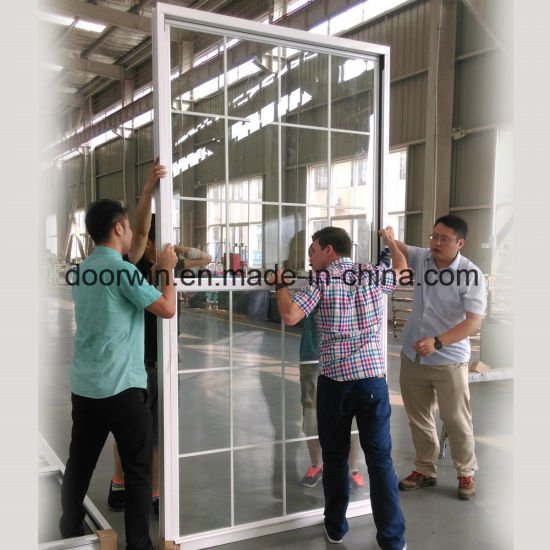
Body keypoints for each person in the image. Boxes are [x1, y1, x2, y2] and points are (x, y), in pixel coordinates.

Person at [271, 226, 407, 549]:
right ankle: (393, 540)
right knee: (380, 461)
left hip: (336, 385)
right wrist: (390, 241)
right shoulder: (372, 273)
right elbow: (402, 269)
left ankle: (335, 527)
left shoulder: (321, 280)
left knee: (334, 459)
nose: (310, 257)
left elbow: (290, 315)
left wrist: (279, 285)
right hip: (372, 382)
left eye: (313, 250)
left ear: (329, 250)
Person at [59, 198, 178, 550]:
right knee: (138, 470)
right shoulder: (123, 272)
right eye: (128, 226)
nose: (131, 233)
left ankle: (69, 525)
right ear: (118, 227)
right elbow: (167, 308)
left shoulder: (83, 270)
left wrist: (149, 189)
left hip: (85, 386)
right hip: (122, 387)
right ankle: (137, 545)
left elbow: (139, 242)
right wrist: (167, 270)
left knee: (80, 461)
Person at [108, 165, 211, 517]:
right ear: (146, 240)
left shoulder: (169, 265)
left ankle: (152, 492)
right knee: (129, 431)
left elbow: (207, 259)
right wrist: (148, 191)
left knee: (157, 433)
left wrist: (174, 248)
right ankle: (120, 484)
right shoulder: (132, 265)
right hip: (136, 361)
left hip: (164, 358)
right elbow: (140, 230)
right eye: (156, 237)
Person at [393, 214, 486, 501]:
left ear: (460, 243)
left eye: (443, 239)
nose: (435, 242)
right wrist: (388, 237)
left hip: (449, 359)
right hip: (413, 356)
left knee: (456, 419)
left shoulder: (470, 274)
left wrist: (438, 342)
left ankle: (465, 472)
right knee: (418, 417)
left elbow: (474, 321)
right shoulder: (423, 258)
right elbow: (402, 247)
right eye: (434, 236)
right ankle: (425, 469)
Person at [299, 305, 366, 492]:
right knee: (311, 414)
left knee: (351, 415)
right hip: (313, 357)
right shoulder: (312, 288)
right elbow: (292, 313)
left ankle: (352, 469)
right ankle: (317, 465)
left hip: (350, 357)